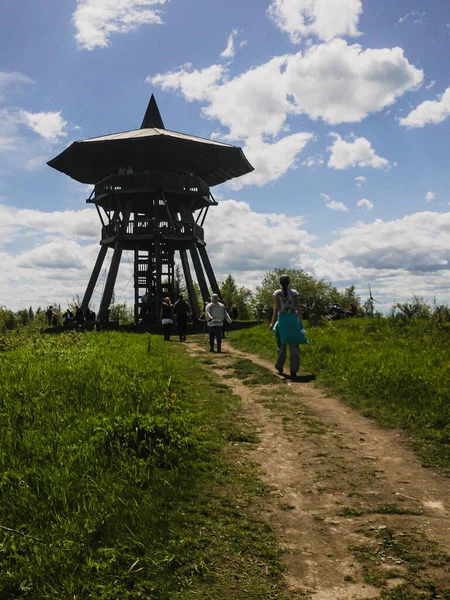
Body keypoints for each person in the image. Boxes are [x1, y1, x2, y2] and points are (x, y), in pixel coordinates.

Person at [269, 274, 304, 380]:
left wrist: (272, 323)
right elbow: (298, 308)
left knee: (281, 345)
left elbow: (276, 308)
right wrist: (300, 321)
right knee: (294, 346)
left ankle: (279, 366)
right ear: (289, 282)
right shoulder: (294, 293)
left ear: (280, 283)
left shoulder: (277, 293)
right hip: (293, 320)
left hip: (282, 320)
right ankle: (294, 370)